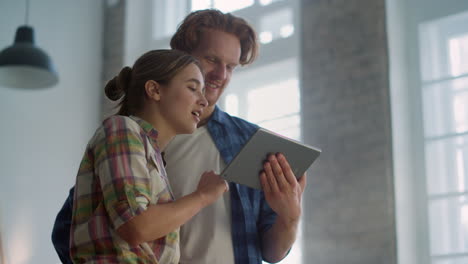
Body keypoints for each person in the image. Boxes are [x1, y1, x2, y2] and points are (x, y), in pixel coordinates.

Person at [52, 9, 306, 264]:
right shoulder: (133, 136)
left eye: (230, 66)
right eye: (211, 59)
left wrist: (290, 218)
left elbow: (271, 253)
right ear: (181, 57)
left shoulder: (250, 142)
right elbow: (69, 229)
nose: (221, 75)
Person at [68, 49, 228, 264]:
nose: (204, 101)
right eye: (192, 88)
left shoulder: (152, 153)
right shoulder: (122, 129)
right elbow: (136, 226)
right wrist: (202, 196)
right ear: (154, 90)